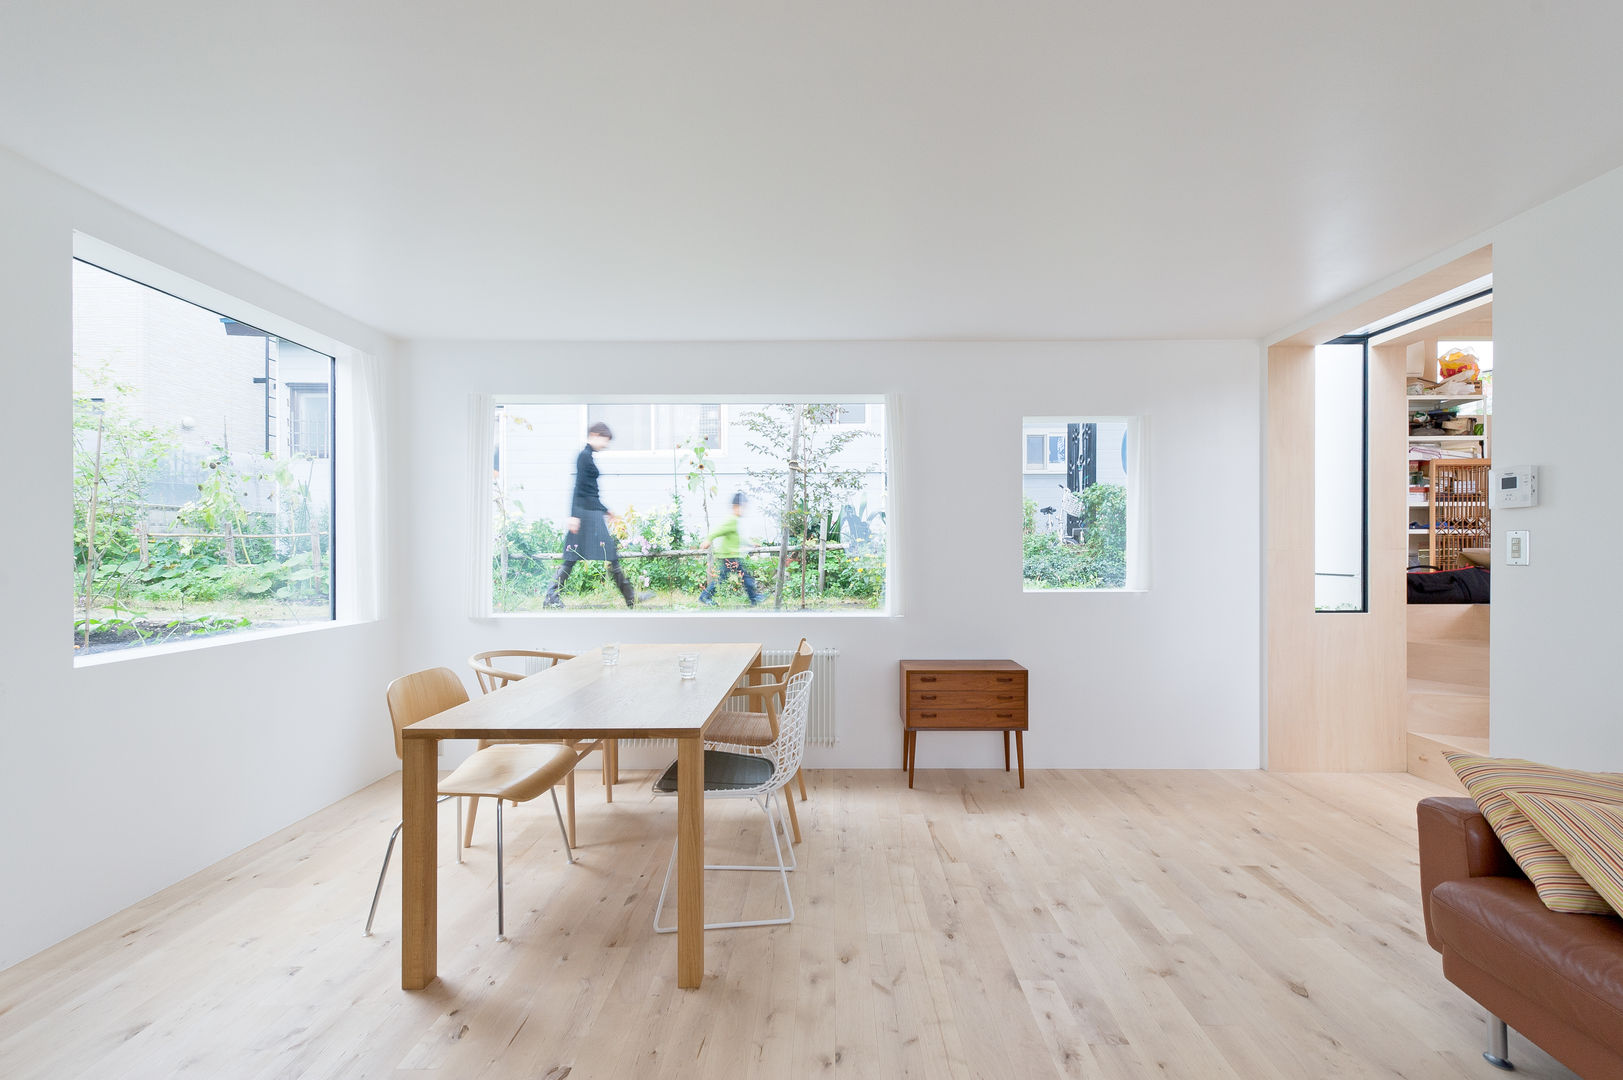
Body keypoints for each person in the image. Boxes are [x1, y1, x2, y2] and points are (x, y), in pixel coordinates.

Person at [543, 422, 649, 608]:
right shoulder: (583, 456)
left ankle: (630, 597)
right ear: (594, 434)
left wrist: (606, 511)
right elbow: (580, 487)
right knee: (578, 556)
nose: (605, 445)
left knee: (595, 555)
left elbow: (591, 491)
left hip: (592, 513)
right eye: (604, 440)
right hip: (585, 515)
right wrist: (574, 515)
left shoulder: (588, 456)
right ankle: (551, 596)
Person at [698, 492, 765, 606]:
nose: (743, 510)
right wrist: (708, 539)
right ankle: (754, 598)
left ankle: (705, 597)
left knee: (725, 578)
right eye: (742, 507)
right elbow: (718, 530)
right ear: (735, 507)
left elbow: (738, 538)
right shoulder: (732, 520)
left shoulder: (735, 521)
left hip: (730, 555)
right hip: (729, 556)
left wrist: (751, 544)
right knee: (744, 577)